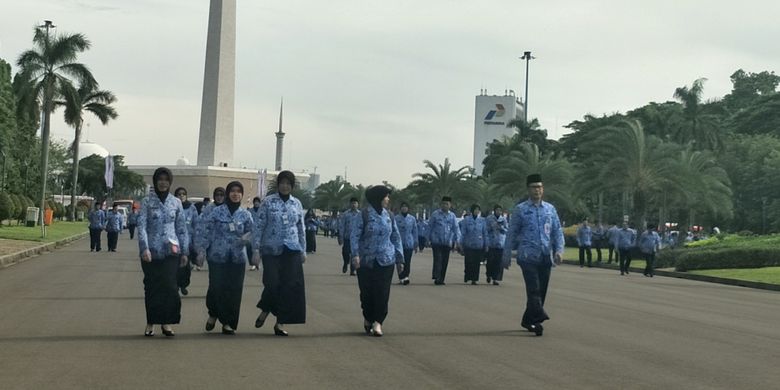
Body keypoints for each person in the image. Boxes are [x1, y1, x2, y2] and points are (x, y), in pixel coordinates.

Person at [502, 174, 564, 337]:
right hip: (527, 256)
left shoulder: (550, 209)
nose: (537, 190)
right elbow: (512, 233)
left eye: (539, 187)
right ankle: (537, 321)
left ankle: (528, 319)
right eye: (534, 187)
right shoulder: (521, 210)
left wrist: (559, 251)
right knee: (534, 289)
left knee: (542, 290)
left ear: (543, 189)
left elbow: (557, 231)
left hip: (545, 255)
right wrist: (506, 254)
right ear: (528, 189)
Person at [252, 170, 307, 336]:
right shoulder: (268, 202)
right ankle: (266, 309)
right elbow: (259, 226)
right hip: (271, 249)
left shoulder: (296, 203)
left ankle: (280, 322)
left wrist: (303, 249)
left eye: (288, 184)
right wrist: (256, 249)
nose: (285, 186)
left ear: (292, 186)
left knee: (289, 287)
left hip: (292, 249)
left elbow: (300, 227)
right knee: (272, 283)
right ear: (278, 185)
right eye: (282, 183)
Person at [195, 181, 254, 335]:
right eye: (232, 191)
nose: (235, 194)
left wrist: (247, 241)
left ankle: (229, 322)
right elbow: (205, 231)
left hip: (237, 258)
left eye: (238, 191)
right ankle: (213, 313)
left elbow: (253, 232)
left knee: (234, 291)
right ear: (228, 194)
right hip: (217, 256)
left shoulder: (245, 214)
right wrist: (201, 251)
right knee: (216, 287)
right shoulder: (216, 212)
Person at [137, 167, 190, 337]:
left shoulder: (176, 202)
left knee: (169, 286)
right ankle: (151, 321)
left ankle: (167, 322)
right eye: (160, 179)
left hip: (171, 251)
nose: (163, 183)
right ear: (155, 181)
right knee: (152, 287)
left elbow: (181, 228)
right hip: (151, 251)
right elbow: (142, 226)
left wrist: (185, 251)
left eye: (166, 180)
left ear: (170, 182)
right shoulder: (146, 202)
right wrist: (144, 248)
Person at [350, 185, 404, 337]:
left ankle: (378, 322)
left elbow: (395, 237)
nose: (388, 199)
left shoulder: (390, 216)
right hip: (366, 260)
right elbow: (355, 235)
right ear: (377, 198)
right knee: (367, 292)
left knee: (382, 292)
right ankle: (368, 316)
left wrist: (400, 259)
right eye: (386, 196)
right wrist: (355, 255)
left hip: (386, 259)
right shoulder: (364, 215)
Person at [427, 196, 461, 285]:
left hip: (447, 242)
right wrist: (428, 238)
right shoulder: (435, 214)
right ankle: (437, 276)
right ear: (441, 204)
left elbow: (456, 228)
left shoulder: (452, 216)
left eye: (447, 204)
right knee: (438, 259)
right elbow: (430, 226)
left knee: (445, 261)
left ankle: (441, 278)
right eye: (443, 204)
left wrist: (458, 240)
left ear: (450, 205)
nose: (445, 205)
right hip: (436, 241)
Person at [174, 187, 198, 296]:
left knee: (186, 267)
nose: (181, 196)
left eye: (183, 194)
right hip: (174, 242)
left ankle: (183, 285)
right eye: (179, 194)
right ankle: (175, 286)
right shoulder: (172, 207)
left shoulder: (192, 208)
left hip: (188, 243)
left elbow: (196, 224)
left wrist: (196, 241)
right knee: (174, 267)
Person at [459, 204, 487, 285]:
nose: (477, 211)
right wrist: (460, 243)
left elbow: (485, 233)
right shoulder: (466, 220)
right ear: (472, 211)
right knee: (469, 262)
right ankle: (467, 276)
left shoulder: (482, 221)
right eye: (475, 210)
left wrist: (486, 244)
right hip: (469, 244)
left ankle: (474, 279)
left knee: (476, 263)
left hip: (478, 244)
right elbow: (463, 233)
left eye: (478, 210)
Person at [394, 202, 418, 285]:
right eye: (402, 207)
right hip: (398, 243)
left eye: (406, 207)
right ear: (400, 208)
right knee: (399, 262)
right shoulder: (396, 218)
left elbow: (415, 231)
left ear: (408, 208)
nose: (404, 208)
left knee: (407, 262)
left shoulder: (412, 219)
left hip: (409, 243)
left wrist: (416, 242)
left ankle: (406, 276)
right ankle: (401, 277)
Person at [485, 205, 507, 286]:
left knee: (498, 262)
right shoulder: (489, 218)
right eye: (497, 210)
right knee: (490, 261)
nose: (498, 212)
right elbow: (485, 230)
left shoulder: (503, 219)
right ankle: (488, 275)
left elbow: (507, 230)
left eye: (500, 210)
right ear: (494, 211)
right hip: (491, 243)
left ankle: (495, 278)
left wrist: (501, 227)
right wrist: (492, 227)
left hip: (500, 244)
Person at [338, 198, 361, 275]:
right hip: (347, 237)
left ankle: (353, 269)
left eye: (355, 203)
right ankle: (345, 262)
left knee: (354, 253)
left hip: (357, 238)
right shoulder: (345, 214)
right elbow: (342, 226)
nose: (354, 205)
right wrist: (340, 236)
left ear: (358, 204)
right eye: (352, 203)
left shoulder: (360, 214)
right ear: (350, 204)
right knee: (345, 252)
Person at [247, 197, 262, 271]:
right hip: (251, 233)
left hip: (260, 233)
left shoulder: (262, 211)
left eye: (258, 202)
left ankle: (257, 263)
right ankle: (252, 264)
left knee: (258, 249)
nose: (256, 203)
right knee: (250, 248)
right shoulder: (250, 211)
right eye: (255, 202)